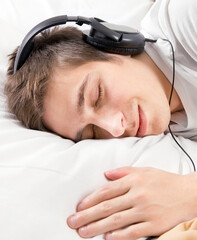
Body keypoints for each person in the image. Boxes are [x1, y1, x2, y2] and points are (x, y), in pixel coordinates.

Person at [4, 0, 197, 239]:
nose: (115, 128)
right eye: (92, 133)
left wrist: (188, 194)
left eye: (97, 96)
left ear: (114, 47)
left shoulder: (188, 21)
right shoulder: (171, 128)